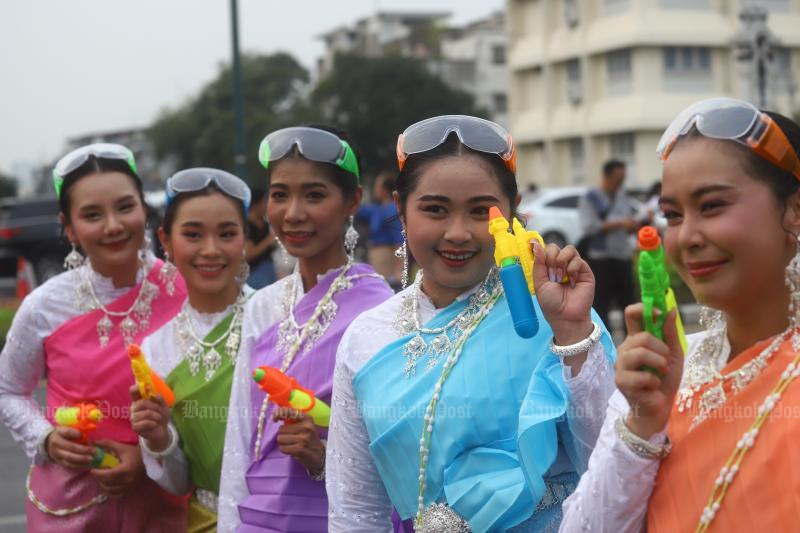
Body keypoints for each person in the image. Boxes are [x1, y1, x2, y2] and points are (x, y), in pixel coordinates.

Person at [326, 115, 617, 532]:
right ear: (400, 210)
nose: (458, 232)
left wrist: (573, 334)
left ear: (513, 211)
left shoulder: (554, 314)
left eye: (481, 211)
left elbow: (608, 468)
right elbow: (355, 510)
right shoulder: (367, 337)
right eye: (435, 209)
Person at [560, 98, 800, 532]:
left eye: (711, 206)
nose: (686, 236)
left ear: (794, 211)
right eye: (672, 215)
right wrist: (644, 424)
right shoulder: (673, 374)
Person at [0, 143, 187, 531]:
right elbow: (9, 391)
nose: (113, 226)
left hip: (165, 501)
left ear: (144, 209)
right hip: (69, 508)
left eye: (124, 207)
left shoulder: (186, 290)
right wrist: (47, 439)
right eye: (91, 215)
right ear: (68, 227)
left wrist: (151, 454)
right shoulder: (43, 307)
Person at [218, 125, 393, 532]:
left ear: (352, 201)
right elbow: (238, 442)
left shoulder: (382, 311)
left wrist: (323, 457)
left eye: (314, 195)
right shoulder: (262, 305)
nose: (293, 213)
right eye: (280, 195)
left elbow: (396, 457)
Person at [130, 168, 253, 531]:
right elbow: (179, 482)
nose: (211, 250)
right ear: (166, 240)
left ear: (245, 238)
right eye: (193, 234)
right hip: (206, 520)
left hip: (282, 518)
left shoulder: (276, 319)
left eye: (227, 234)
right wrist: (158, 438)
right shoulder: (155, 349)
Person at [577, 159, 639, 332]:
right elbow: (589, 226)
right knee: (601, 306)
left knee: (629, 304)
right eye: (618, 178)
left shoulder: (622, 195)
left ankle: (634, 343)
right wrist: (619, 223)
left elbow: (628, 221)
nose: (620, 182)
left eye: (623, 178)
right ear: (607, 175)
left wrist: (632, 226)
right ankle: (605, 349)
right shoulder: (591, 197)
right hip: (601, 259)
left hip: (622, 257)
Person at [356, 170, 404, 289]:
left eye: (377, 185)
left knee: (385, 289)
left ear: (385, 189)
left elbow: (399, 238)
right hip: (375, 255)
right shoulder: (377, 209)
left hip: (386, 256)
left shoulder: (392, 209)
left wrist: (399, 270)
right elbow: (357, 211)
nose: (375, 189)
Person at [245, 188, 277, 289]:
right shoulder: (247, 226)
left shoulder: (265, 223)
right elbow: (249, 254)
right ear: (256, 204)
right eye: (264, 202)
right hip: (256, 272)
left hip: (269, 269)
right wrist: (268, 241)